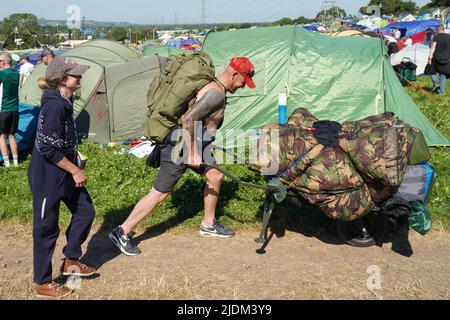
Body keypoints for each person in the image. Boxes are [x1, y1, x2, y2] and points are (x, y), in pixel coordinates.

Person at [109, 57, 256, 256]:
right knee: (159, 193)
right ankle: (123, 231)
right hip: (182, 146)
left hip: (193, 144)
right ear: (234, 74)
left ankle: (208, 223)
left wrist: (205, 141)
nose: (243, 86)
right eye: (243, 81)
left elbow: (200, 122)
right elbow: (188, 119)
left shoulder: (214, 88)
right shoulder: (215, 93)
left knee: (215, 176)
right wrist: (194, 152)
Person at [28, 56, 96, 298]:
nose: (80, 77)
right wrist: (76, 169)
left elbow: (60, 138)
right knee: (46, 228)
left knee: (85, 211)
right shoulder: (54, 105)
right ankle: (43, 282)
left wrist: (74, 154)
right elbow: (46, 148)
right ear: (62, 80)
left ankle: (70, 259)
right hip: (47, 175)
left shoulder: (66, 99)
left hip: (64, 169)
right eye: (75, 74)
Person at [0, 52, 20, 168]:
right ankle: (16, 162)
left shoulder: (2, 74)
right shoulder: (16, 73)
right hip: (15, 109)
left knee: (2, 136)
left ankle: (7, 163)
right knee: (12, 135)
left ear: (2, 62)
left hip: (4, 109)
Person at [428, 25, 450, 96]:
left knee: (430, 71)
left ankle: (436, 82)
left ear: (438, 30)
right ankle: (441, 92)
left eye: (436, 30)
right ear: (443, 29)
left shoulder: (436, 36)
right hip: (446, 59)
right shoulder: (449, 37)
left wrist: (430, 57)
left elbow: (433, 46)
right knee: (443, 75)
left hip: (436, 58)